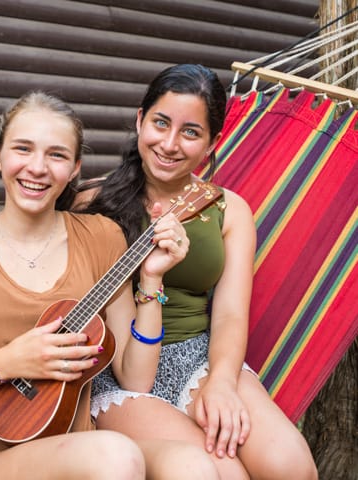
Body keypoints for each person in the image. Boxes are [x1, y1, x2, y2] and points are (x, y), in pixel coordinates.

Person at [0, 91, 219, 480]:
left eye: (56, 155)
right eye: (23, 149)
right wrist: (9, 362)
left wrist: (151, 277)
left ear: (74, 169)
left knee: (194, 465)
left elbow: (135, 378)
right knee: (115, 457)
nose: (37, 168)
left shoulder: (101, 235)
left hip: (80, 442)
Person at [76, 64, 318, 480]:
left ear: (212, 142)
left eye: (190, 132)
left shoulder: (229, 210)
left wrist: (222, 383)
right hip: (119, 372)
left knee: (291, 466)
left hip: (199, 358)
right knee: (221, 474)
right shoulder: (90, 203)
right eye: (160, 123)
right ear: (139, 120)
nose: (170, 144)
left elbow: (229, 314)